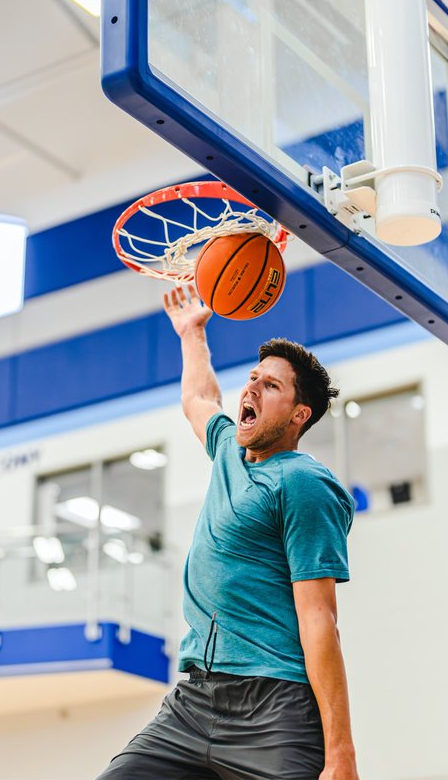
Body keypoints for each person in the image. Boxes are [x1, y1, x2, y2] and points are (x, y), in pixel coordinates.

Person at [97, 285, 358, 780]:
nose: (252, 389)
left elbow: (320, 616)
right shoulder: (228, 452)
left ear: (299, 416)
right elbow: (199, 397)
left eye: (271, 386)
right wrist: (192, 333)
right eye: (253, 379)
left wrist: (340, 754)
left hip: (273, 704)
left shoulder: (303, 483)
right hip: (194, 701)